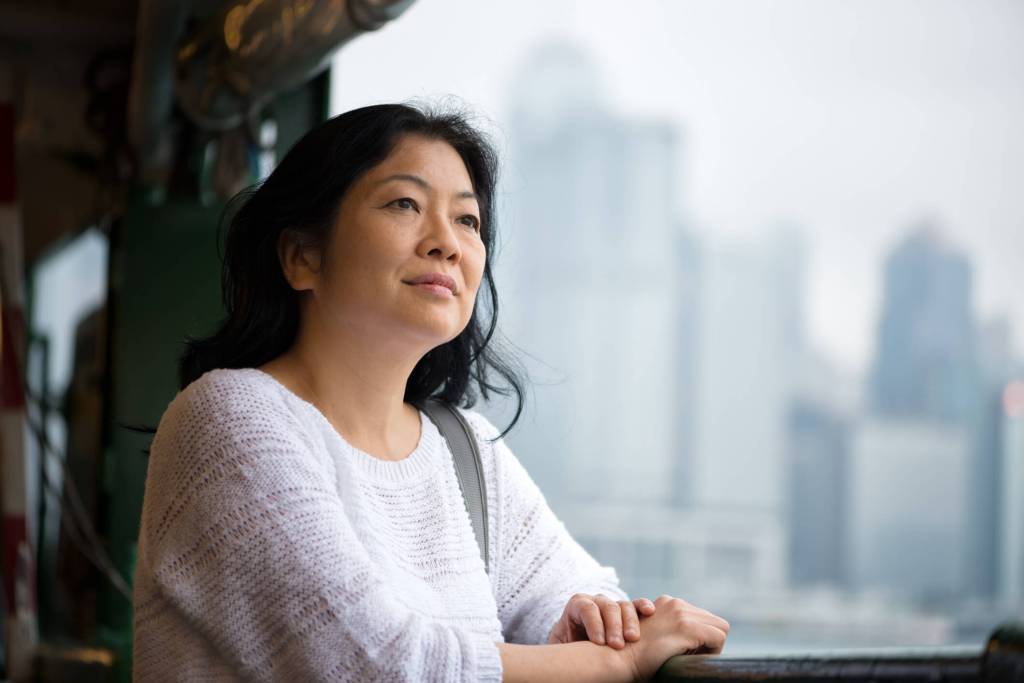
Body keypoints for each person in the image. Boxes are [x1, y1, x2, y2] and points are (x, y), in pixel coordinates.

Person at [131, 101, 729, 682]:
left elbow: (585, 591)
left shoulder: (465, 445)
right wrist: (615, 662)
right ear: (302, 256)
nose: (447, 241)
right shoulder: (231, 418)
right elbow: (377, 665)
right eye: (405, 204)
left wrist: (591, 621)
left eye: (467, 220)